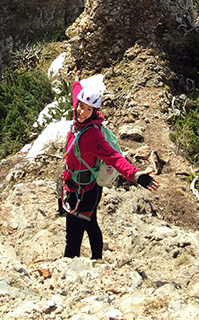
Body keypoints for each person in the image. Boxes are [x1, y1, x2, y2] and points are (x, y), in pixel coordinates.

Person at [60, 75, 159, 260]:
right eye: (81, 106)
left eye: (88, 109)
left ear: (95, 111)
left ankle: (71, 267)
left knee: (73, 237)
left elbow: (114, 158)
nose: (82, 112)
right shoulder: (78, 114)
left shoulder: (93, 136)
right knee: (90, 224)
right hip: (79, 186)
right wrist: (75, 82)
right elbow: (76, 94)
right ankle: (97, 259)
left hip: (85, 192)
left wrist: (136, 175)